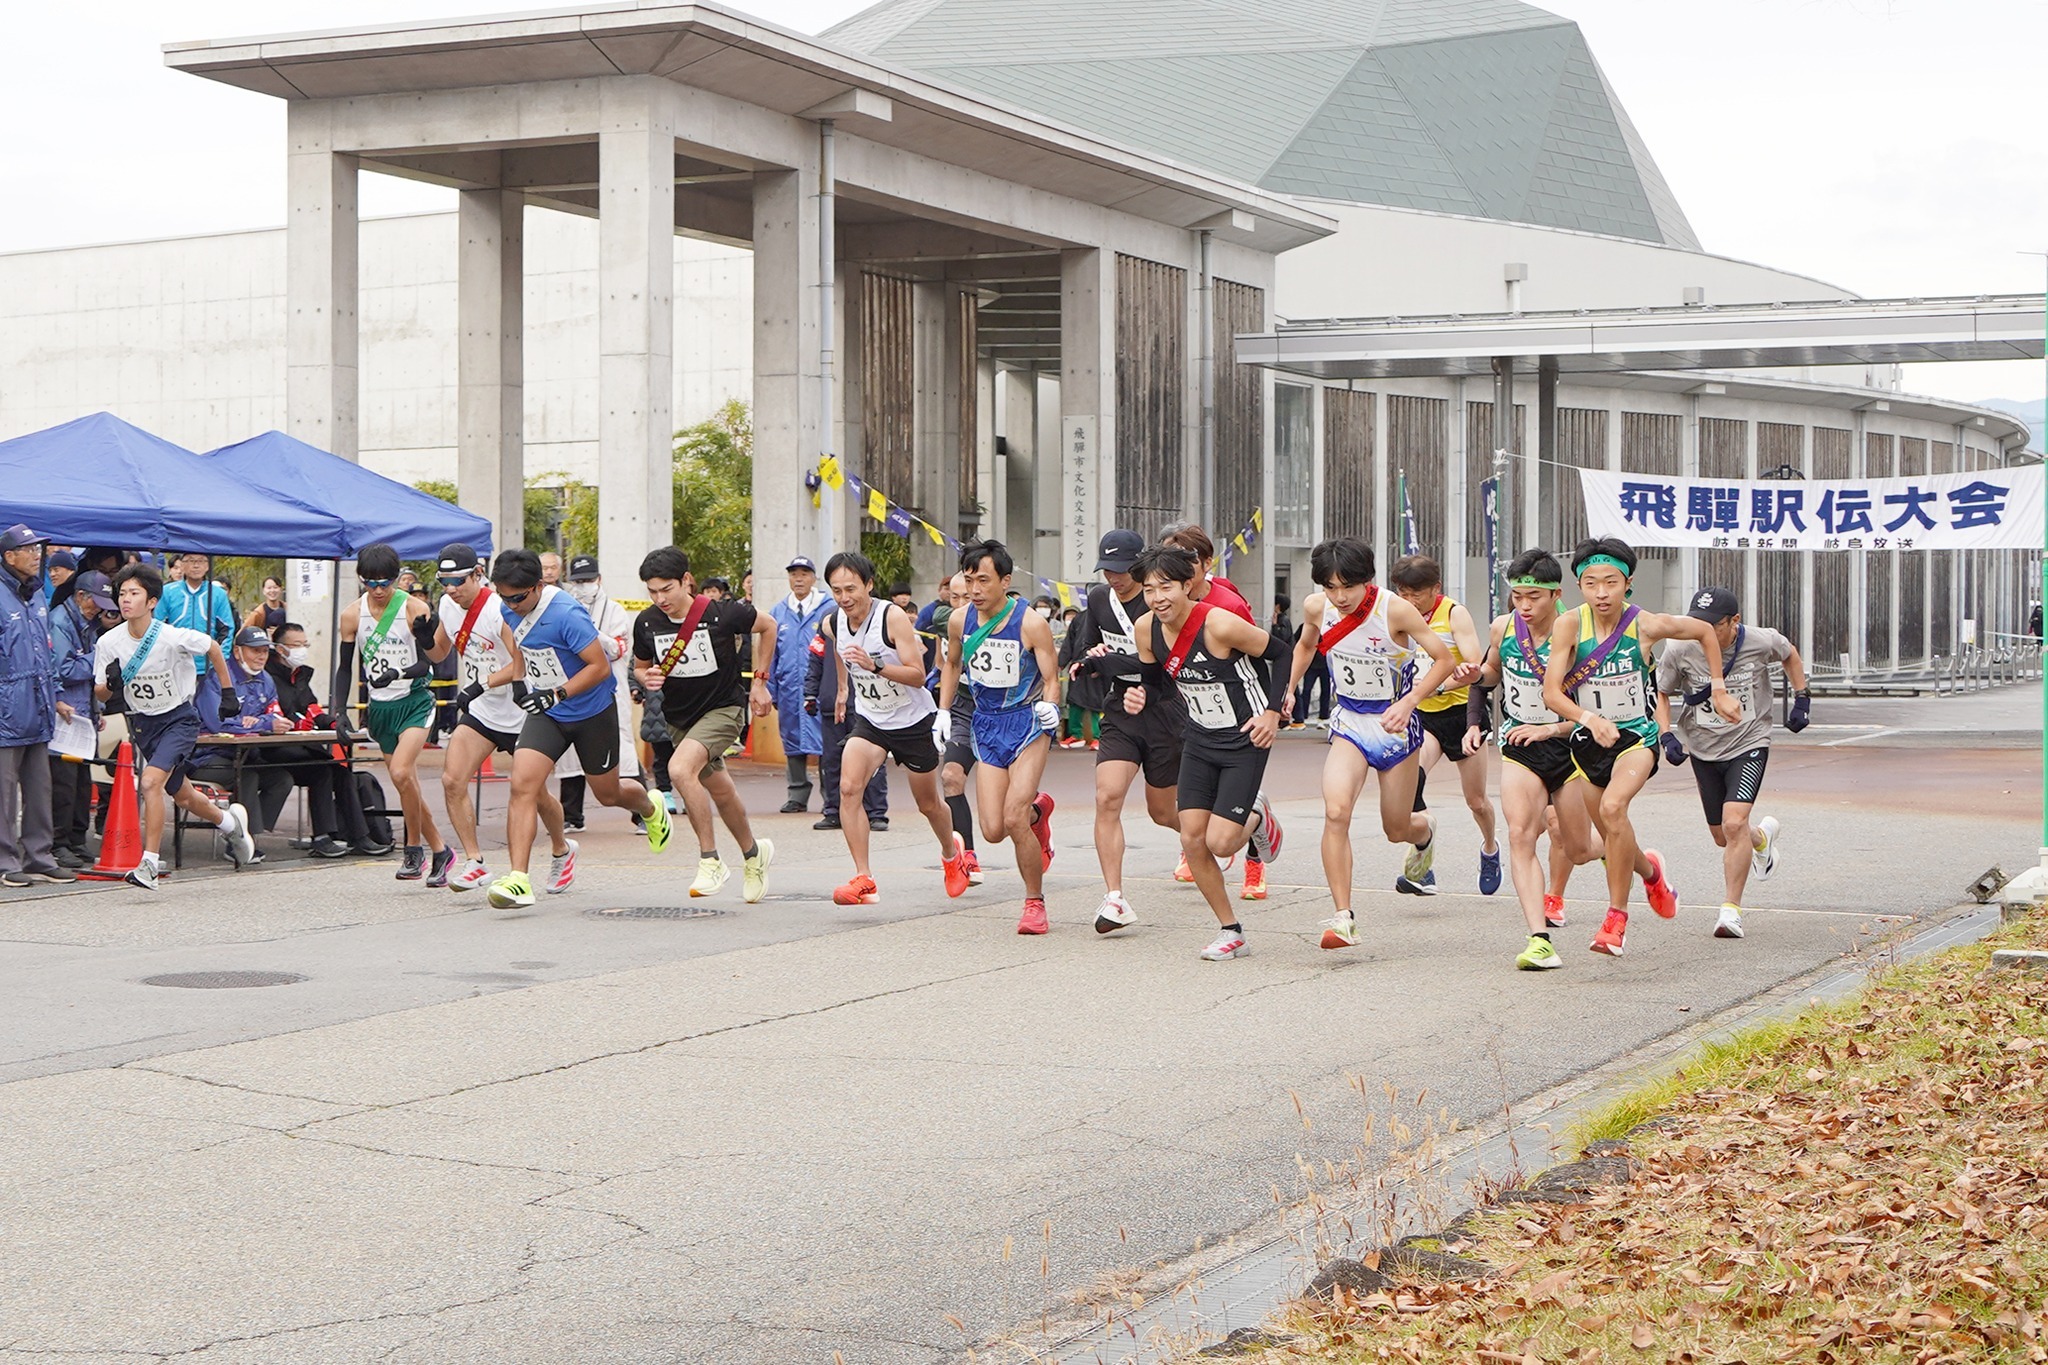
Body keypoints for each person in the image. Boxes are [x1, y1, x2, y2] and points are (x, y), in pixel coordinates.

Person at [1542, 537, 1736, 957]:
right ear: (1579, 586)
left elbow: (1703, 630)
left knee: (1614, 811)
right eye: (1591, 583)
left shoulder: (1644, 624)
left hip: (1636, 738)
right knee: (1612, 833)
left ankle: (1615, 920)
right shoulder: (1570, 625)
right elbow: (1552, 694)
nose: (1601, 593)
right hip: (1589, 740)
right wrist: (1590, 720)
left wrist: (1717, 690)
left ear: (1627, 583)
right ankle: (1652, 874)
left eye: (1610, 582)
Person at [1116, 544, 1291, 959]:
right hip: (1198, 737)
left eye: (1166, 588)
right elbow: (1156, 685)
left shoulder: (1219, 624)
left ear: (1188, 585)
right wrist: (1139, 696)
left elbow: (1281, 653)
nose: (1157, 598)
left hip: (1245, 737)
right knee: (1192, 838)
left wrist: (1271, 713)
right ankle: (1231, 931)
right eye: (1149, 589)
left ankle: (1257, 814)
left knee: (1223, 842)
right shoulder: (1145, 629)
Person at [1283, 536, 1457, 948]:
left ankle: (1423, 832)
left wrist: (1410, 702)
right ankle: (1343, 917)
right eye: (1330, 587)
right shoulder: (1316, 607)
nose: (1339, 597)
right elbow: (1306, 645)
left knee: (1396, 828)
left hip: (1395, 728)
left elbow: (1444, 660)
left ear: (1368, 580)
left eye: (1348, 586)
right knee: (1336, 811)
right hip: (1349, 723)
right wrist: (1288, 689)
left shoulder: (1395, 611)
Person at [484, 549, 673, 907]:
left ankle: (650, 808)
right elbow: (523, 648)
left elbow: (599, 667)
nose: (511, 604)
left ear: (539, 586)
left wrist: (557, 693)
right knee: (523, 785)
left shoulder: (567, 614)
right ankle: (519, 880)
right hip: (549, 713)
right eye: (503, 596)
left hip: (591, 712)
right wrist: (524, 684)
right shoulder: (509, 607)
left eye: (518, 597)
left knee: (608, 794)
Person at [1462, 548, 1605, 971]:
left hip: (1572, 747)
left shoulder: (1580, 633)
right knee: (1520, 835)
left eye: (1533, 597)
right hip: (1521, 746)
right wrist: (1475, 688)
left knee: (1577, 848)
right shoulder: (1502, 628)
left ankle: (1628, 853)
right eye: (1517, 596)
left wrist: (1552, 728)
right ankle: (1538, 939)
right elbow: (1489, 675)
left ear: (1556, 594)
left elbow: (1596, 710)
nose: (1523, 606)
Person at [1656, 587, 1811, 941]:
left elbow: (1790, 654)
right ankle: (1761, 838)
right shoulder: (1680, 647)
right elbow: (1662, 692)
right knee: (1723, 835)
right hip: (1704, 747)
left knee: (1733, 822)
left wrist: (1802, 697)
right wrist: (1666, 735)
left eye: (1714, 626)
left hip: (1749, 741)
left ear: (1734, 621)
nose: (1704, 632)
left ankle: (1731, 911)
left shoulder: (1760, 641)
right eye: (1698, 623)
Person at [817, 552, 972, 904]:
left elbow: (918, 676)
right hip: (872, 720)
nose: (844, 597)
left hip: (913, 721)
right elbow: (842, 652)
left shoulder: (892, 617)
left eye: (851, 588)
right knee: (848, 788)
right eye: (837, 590)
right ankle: (864, 878)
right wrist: (843, 689)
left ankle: (952, 854)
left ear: (869, 585)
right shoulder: (833, 621)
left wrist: (874, 666)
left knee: (929, 804)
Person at [93, 562, 256, 888]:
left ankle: (149, 865)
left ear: (152, 601)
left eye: (133, 593)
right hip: (143, 725)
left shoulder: (171, 636)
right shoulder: (108, 643)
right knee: (184, 797)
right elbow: (99, 691)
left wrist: (227, 693)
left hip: (178, 720)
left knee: (151, 783)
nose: (125, 600)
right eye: (122, 594)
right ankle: (229, 824)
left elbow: (212, 647)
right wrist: (110, 684)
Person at [632, 546, 775, 902]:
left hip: (724, 710)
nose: (660, 598)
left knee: (681, 771)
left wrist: (759, 682)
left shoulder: (723, 613)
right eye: (652, 591)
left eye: (667, 589)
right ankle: (754, 854)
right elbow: (639, 665)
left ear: (686, 581)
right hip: (681, 719)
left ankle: (711, 860)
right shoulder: (647, 622)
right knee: (722, 792)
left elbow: (769, 626)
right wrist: (645, 676)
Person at [428, 544, 574, 892]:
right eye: (444, 581)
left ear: (478, 575)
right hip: (482, 711)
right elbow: (439, 651)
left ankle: (562, 849)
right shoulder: (447, 605)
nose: (451, 589)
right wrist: (423, 636)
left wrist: (480, 684)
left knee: (533, 794)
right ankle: (475, 862)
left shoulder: (499, 609)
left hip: (519, 713)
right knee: (452, 780)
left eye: (458, 580)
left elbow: (519, 662)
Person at [939, 540, 1061, 934]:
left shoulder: (1030, 623)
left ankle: (1034, 903)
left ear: (1005, 581)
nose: (975, 589)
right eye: (969, 580)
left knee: (1013, 819)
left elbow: (1050, 677)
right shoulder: (959, 620)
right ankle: (1038, 812)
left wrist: (1052, 707)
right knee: (993, 830)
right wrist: (942, 711)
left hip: (1026, 723)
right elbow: (952, 664)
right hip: (986, 723)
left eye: (983, 581)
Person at [1067, 529, 1184, 934]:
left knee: (1164, 812)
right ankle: (1114, 898)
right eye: (1107, 570)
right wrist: (1091, 658)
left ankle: (1241, 829)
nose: (1114, 578)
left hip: (1165, 709)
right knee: (1107, 797)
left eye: (1121, 570)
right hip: (1121, 710)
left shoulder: (1161, 603)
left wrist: (1115, 662)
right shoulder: (1099, 600)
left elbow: (1170, 661)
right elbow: (1090, 648)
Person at [1157, 523, 1272, 899]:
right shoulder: (1160, 605)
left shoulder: (1228, 608)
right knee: (1193, 819)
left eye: (1184, 562)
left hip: (1240, 722)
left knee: (1227, 830)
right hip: (1193, 713)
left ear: (1205, 564)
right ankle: (1194, 847)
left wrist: (1270, 711)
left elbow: (1262, 659)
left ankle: (1255, 853)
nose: (1173, 571)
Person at [335, 542, 452, 885]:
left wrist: (399, 673)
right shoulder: (351, 614)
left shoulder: (415, 608)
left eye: (386, 582)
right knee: (407, 783)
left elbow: (429, 661)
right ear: (361, 581)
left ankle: (412, 847)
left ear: (397, 578)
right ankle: (441, 851)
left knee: (401, 772)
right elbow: (345, 668)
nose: (380, 590)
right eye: (371, 583)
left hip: (414, 700)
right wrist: (340, 710)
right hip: (380, 707)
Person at [1391, 554, 1500, 895]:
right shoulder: (1396, 614)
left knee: (1477, 801)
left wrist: (1439, 683)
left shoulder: (1454, 613)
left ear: (1435, 588)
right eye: (1403, 592)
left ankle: (1490, 849)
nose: (1409, 601)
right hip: (1423, 717)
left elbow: (1474, 667)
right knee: (1411, 781)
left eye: (1417, 594)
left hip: (1461, 714)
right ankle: (1423, 861)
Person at [263, 621, 382, 858]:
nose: (301, 650)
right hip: (272, 748)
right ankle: (322, 837)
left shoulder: (300, 676)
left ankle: (359, 836)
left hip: (302, 746)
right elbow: (275, 713)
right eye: (295, 645)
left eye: (304, 644)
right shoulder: (267, 677)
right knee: (322, 770)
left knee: (342, 771)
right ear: (279, 648)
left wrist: (335, 722)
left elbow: (312, 709)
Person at [1, 526, 76, 888]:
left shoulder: (37, 596)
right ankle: (5, 860)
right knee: (3, 790)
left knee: (39, 785)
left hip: (39, 702)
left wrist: (57, 694)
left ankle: (39, 856)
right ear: (8, 556)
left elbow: (47, 652)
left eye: (38, 549)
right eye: (27, 549)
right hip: (6, 708)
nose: (36, 555)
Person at [192, 626, 298, 851]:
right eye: (255, 651)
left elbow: (275, 713)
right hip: (206, 758)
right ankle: (239, 843)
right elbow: (218, 724)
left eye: (264, 651)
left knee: (282, 779)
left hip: (246, 755)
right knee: (246, 776)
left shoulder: (266, 679)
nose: (261, 656)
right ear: (238, 651)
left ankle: (242, 833)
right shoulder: (217, 678)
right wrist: (261, 723)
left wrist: (263, 721)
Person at [555, 554, 640, 832]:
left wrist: (588, 632)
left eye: (588, 580)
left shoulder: (614, 610)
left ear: (599, 580)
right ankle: (571, 815)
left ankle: (641, 813)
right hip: (575, 687)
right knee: (569, 751)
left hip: (607, 688)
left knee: (621, 746)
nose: (583, 586)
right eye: (578, 581)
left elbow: (617, 649)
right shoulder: (564, 608)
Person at [49, 569, 110, 868]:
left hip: (85, 714)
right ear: (80, 596)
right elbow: (64, 670)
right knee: (63, 785)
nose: (99, 608)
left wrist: (97, 709)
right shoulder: (60, 621)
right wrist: (98, 654)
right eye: (95, 601)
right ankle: (57, 843)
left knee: (83, 783)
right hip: (66, 718)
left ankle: (76, 839)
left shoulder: (88, 624)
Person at [804, 619, 888, 832]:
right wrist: (810, 693)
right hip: (832, 701)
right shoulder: (828, 623)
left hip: (868, 705)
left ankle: (876, 812)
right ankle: (833, 811)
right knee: (832, 759)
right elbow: (815, 659)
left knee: (871, 760)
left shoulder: (877, 621)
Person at [767, 555, 832, 814]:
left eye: (804, 573)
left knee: (828, 742)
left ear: (813, 578)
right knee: (792, 741)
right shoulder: (779, 612)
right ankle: (797, 794)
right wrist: (770, 688)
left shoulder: (828, 609)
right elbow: (771, 653)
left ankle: (832, 796)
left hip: (820, 688)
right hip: (790, 689)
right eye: (794, 574)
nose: (799, 579)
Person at [936, 571, 983, 886]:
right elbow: (946, 665)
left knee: (1008, 808)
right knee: (951, 776)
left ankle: (1037, 815)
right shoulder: (946, 622)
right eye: (955, 598)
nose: (962, 604)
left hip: (1004, 709)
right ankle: (967, 856)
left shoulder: (1010, 620)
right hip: (964, 708)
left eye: (968, 596)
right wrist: (942, 709)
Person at [155, 552, 236, 644]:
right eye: (191, 560)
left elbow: (226, 629)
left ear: (207, 566)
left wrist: (219, 656)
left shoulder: (218, 594)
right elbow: (157, 626)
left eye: (201, 561)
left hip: (207, 655)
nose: (196, 565)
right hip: (174, 654)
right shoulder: (167, 591)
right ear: (182, 565)